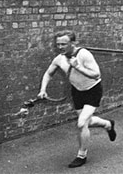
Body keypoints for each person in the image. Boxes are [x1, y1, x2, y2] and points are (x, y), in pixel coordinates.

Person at [38, 30, 116, 168]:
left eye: (64, 44)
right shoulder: (59, 59)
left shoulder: (84, 54)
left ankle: (82, 155)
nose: (60, 47)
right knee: (86, 121)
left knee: (81, 124)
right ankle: (107, 124)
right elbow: (48, 73)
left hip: (92, 90)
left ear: (73, 43)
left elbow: (96, 75)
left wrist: (78, 67)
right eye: (58, 44)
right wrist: (43, 90)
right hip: (77, 91)